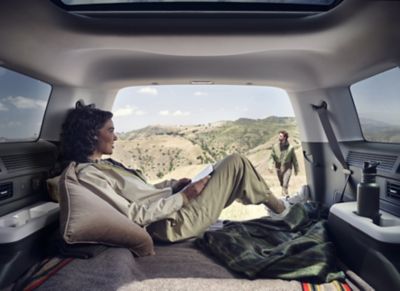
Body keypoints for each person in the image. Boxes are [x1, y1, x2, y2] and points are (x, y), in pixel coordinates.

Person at [60, 105, 297, 242]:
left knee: (225, 165)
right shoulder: (88, 176)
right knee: (236, 162)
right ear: (92, 135)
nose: (116, 137)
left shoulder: (105, 166)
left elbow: (144, 193)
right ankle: (282, 211)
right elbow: (132, 216)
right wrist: (184, 198)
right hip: (171, 224)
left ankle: (274, 205)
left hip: (172, 210)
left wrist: (174, 186)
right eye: (110, 130)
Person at [269, 130, 299, 197]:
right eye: (279, 135)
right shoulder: (275, 146)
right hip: (278, 167)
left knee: (285, 184)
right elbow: (271, 157)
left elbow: (294, 159)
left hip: (288, 167)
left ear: (285, 137)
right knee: (282, 183)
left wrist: (296, 169)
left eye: (280, 136)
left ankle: (284, 196)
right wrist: (270, 166)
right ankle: (286, 193)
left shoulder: (291, 148)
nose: (279, 137)